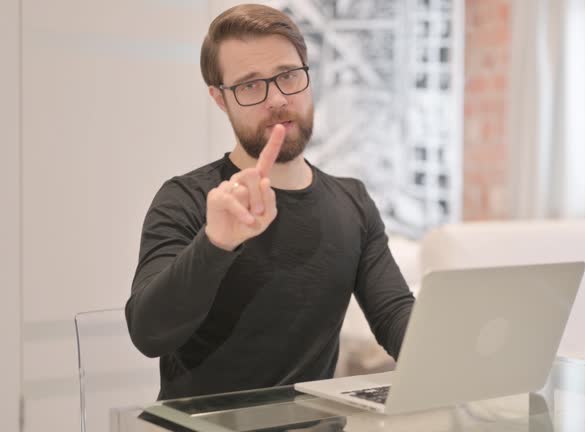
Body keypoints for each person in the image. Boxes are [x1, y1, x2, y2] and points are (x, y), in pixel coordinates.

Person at [125, 3, 414, 400]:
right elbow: (148, 333)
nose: (276, 98)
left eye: (288, 76)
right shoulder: (188, 199)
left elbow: (395, 315)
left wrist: (463, 357)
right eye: (250, 85)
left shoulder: (353, 201)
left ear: (307, 77)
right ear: (220, 99)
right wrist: (216, 242)